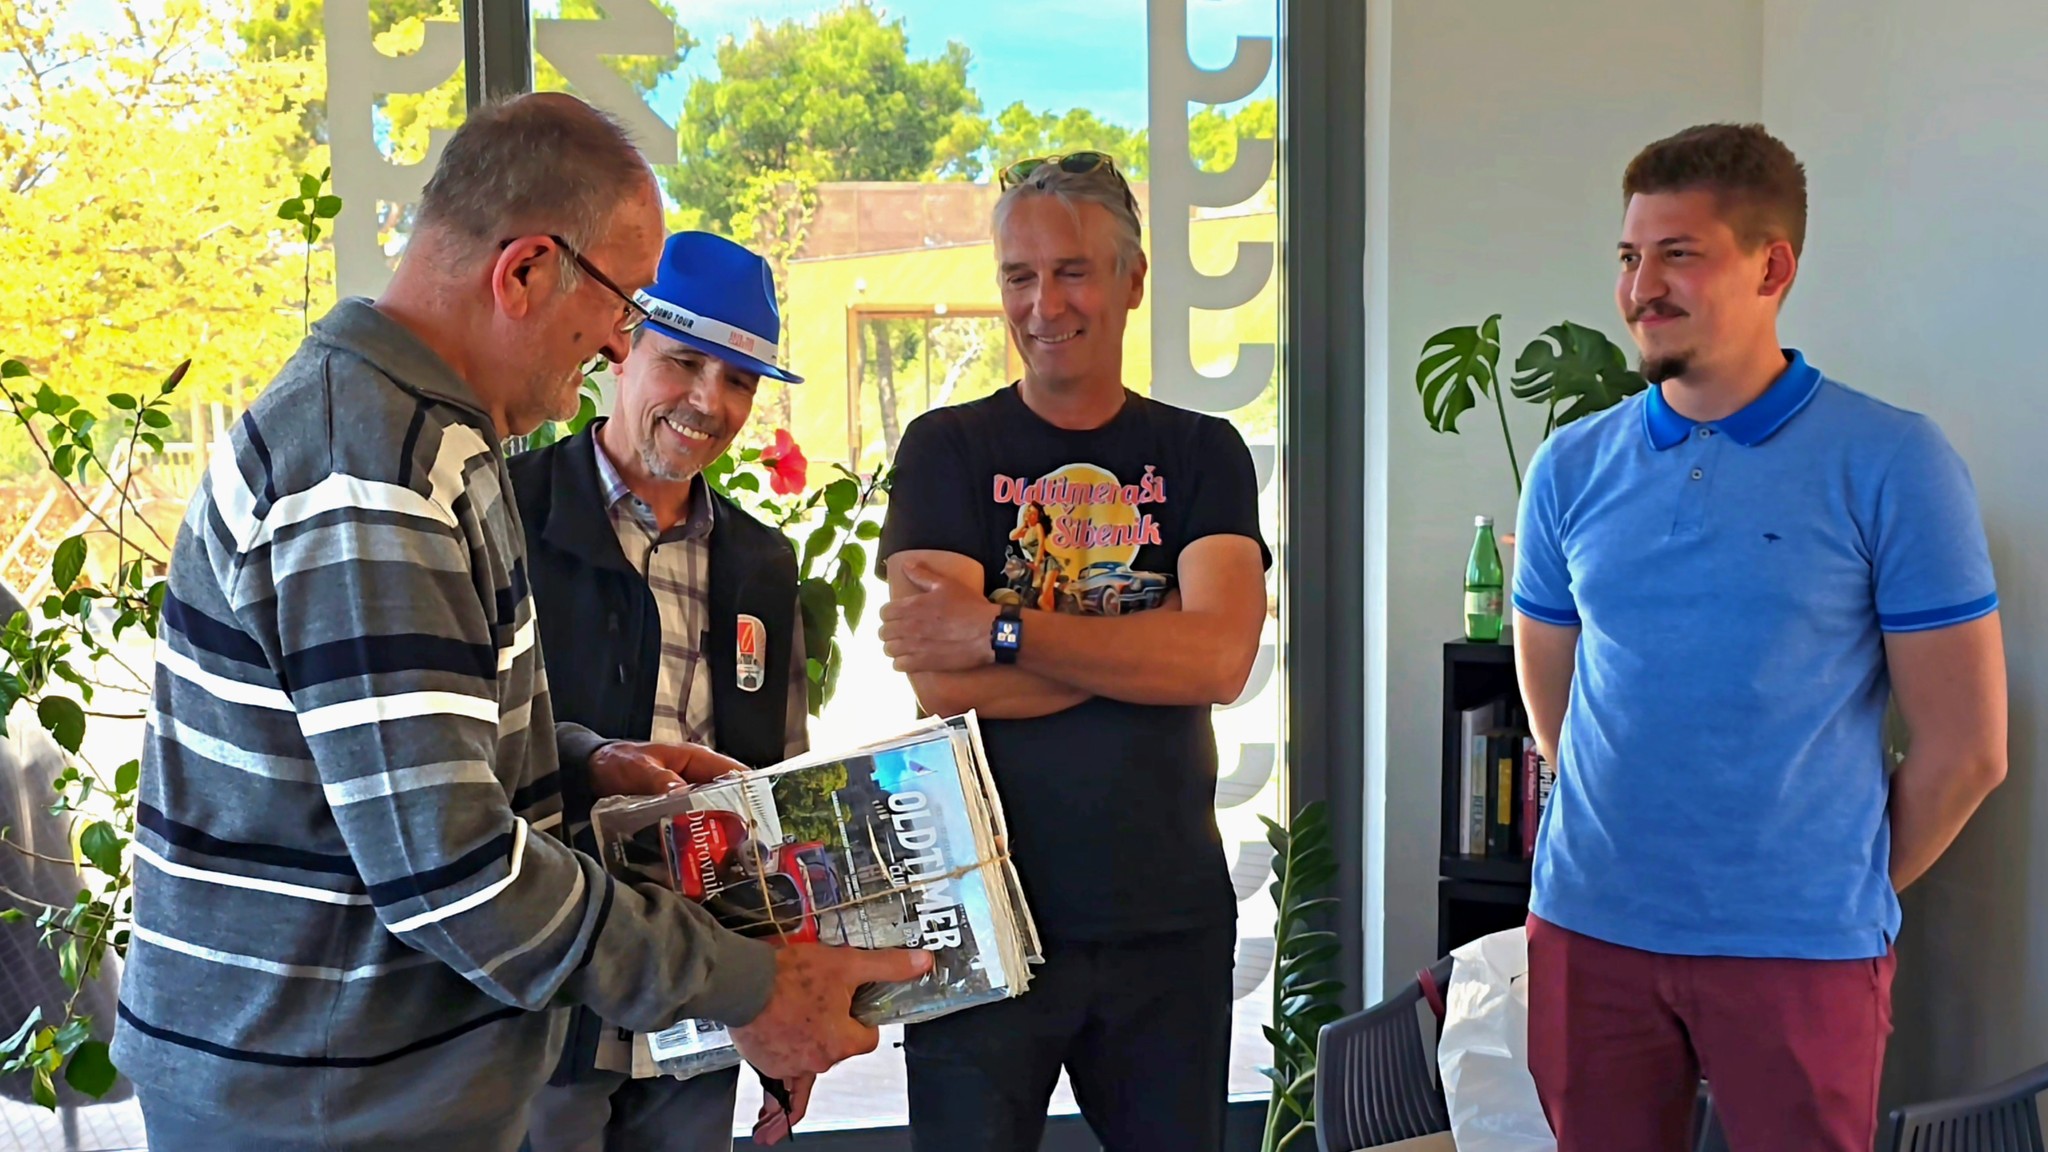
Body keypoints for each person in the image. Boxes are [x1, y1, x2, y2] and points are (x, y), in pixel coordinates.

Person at [113, 93, 927, 1152]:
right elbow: (452, 875)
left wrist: (580, 762)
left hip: (366, 1091)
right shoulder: (373, 472)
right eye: (626, 307)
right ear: (528, 271)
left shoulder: (428, 441)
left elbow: (396, 758)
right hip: (326, 1108)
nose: (618, 344)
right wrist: (748, 984)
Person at [1512, 123, 2008, 1151]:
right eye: (1628, 255)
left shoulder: (1892, 462)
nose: (1640, 288)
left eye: (1677, 254)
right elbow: (1554, 704)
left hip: (1799, 949)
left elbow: (1967, 750)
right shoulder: (1569, 466)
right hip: (1591, 931)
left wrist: (1830, 883)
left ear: (1771, 267)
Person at [877, 151, 1271, 1152]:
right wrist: (1146, 642)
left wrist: (1000, 629)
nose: (1043, 304)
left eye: (1072, 272)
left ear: (1132, 279)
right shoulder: (945, 448)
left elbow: (1219, 661)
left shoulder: (1201, 453)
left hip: (1165, 922)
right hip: (982, 916)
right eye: (1019, 275)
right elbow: (942, 680)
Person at [513, 231, 814, 1151]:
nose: (709, 402)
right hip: (544, 997)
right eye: (683, 362)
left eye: (739, 381)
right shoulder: (507, 512)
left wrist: (786, 1003)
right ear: (620, 345)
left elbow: (778, 792)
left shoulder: (761, 562)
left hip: (701, 1007)